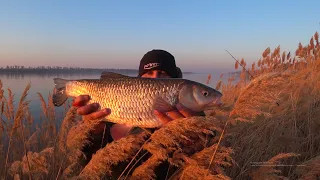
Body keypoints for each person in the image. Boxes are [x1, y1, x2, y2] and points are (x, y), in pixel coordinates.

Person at [72, 49, 203, 160]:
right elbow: (88, 164)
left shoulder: (197, 118)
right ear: (139, 80)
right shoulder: (112, 112)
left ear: (175, 80)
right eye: (149, 73)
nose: (155, 79)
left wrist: (191, 141)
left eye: (162, 74)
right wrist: (95, 130)